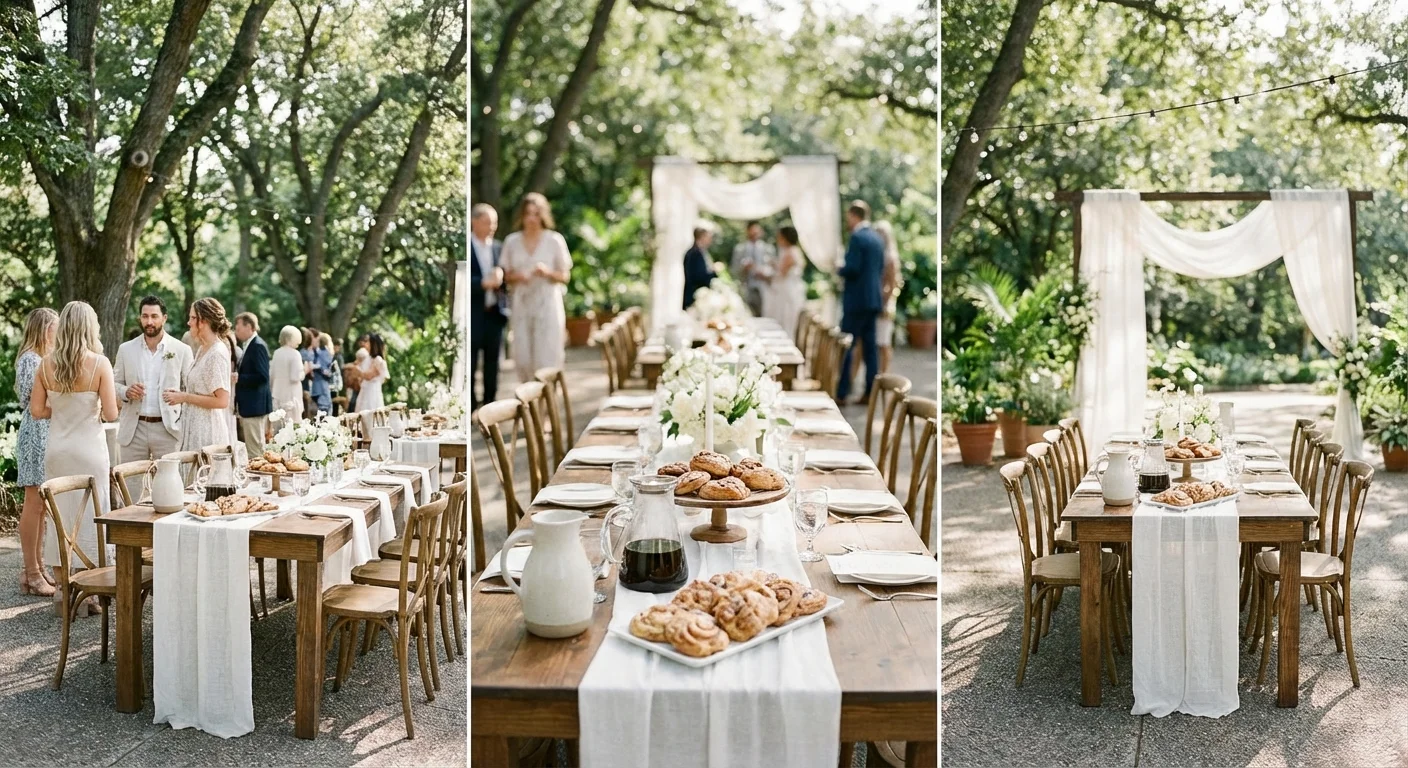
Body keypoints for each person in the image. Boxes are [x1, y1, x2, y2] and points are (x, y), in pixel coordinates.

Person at [32, 301, 119, 615]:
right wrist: (87, 408)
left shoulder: (45, 364)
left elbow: (37, 410)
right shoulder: (100, 364)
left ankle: (62, 593)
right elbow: (110, 413)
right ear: (89, 328)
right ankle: (91, 594)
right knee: (91, 518)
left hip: (57, 452)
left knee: (60, 520)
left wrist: (64, 409)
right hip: (89, 452)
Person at [502, 192, 570, 382]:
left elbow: (565, 276)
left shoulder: (554, 240)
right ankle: (528, 404)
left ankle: (547, 405)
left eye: (536, 214)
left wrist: (547, 272)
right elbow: (505, 276)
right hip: (522, 304)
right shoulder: (512, 242)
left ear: (543, 216)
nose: (532, 219)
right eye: (528, 214)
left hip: (548, 304)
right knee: (523, 357)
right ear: (522, 216)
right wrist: (518, 276)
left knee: (547, 356)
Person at [114, 296, 192, 461]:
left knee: (168, 484)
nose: (149, 321)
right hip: (133, 430)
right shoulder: (125, 349)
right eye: (145, 316)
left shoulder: (182, 350)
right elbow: (114, 383)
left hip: (168, 429)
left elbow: (190, 389)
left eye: (154, 316)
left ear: (164, 318)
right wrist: (125, 391)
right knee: (131, 484)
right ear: (140, 318)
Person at [14, 307, 57, 596]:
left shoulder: (42, 358)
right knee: (33, 503)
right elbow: (35, 404)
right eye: (55, 328)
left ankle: (38, 567)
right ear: (44, 330)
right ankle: (30, 571)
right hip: (35, 434)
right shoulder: (31, 360)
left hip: (46, 433)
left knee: (42, 506)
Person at [166, 298, 233, 451]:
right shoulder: (203, 349)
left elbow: (222, 401)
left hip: (207, 432)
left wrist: (184, 397)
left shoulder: (216, 353)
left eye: (192, 318)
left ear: (203, 321)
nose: (189, 322)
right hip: (193, 428)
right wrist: (181, 394)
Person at [835, 200, 884, 405]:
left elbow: (853, 268)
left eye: (848, 216)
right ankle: (870, 393)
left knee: (847, 345)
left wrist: (839, 268)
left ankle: (842, 392)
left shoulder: (857, 237)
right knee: (870, 349)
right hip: (873, 300)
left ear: (854, 216)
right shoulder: (877, 238)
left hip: (856, 302)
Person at [471, 202, 509, 410]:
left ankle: (490, 405)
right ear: (474, 222)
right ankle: (471, 406)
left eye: (494, 222)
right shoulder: (466, 246)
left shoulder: (498, 247)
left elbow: (506, 279)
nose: (492, 226)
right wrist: (482, 283)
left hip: (495, 313)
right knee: (472, 361)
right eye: (487, 222)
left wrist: (502, 278)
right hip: (474, 313)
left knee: (493, 363)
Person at [233, 312, 272, 457]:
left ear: (248, 326)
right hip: (251, 406)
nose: (236, 333)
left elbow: (262, 376)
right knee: (255, 447)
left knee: (255, 450)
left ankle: (259, 479)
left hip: (255, 406)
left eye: (238, 329)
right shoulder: (251, 345)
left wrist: (239, 378)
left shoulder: (257, 346)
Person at [874, 220, 903, 375]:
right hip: (878, 300)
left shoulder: (890, 257)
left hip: (885, 303)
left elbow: (892, 285)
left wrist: (883, 304)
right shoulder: (879, 255)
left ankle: (884, 372)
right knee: (878, 342)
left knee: (884, 342)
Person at [730, 221, 775, 317]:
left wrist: (765, 274)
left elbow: (774, 270)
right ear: (747, 231)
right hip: (746, 288)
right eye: (752, 232)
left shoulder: (768, 249)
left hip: (764, 288)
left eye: (757, 232)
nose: (755, 234)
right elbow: (733, 270)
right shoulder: (739, 249)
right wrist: (743, 269)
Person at [271, 325, 306, 422]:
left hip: (278, 396)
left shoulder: (276, 353)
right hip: (291, 397)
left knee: (279, 429)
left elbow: (272, 375)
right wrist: (305, 370)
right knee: (293, 428)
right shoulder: (295, 354)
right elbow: (295, 377)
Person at [301, 327, 334, 415]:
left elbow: (328, 372)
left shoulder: (322, 353)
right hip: (308, 389)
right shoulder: (304, 353)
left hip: (320, 389)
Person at [682, 227, 716, 310]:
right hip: (694, 298)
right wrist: (713, 272)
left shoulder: (701, 252)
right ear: (702, 237)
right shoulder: (694, 254)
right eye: (708, 237)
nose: (710, 240)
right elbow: (698, 276)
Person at [357, 333, 388, 412]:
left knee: (370, 412)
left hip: (372, 392)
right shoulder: (368, 358)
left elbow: (369, 376)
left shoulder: (378, 359)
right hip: (366, 389)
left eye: (368, 342)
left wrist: (356, 371)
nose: (365, 344)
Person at [321, 333, 343, 414]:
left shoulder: (337, 358)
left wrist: (338, 386)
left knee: (334, 409)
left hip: (334, 387)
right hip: (326, 387)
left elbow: (338, 374)